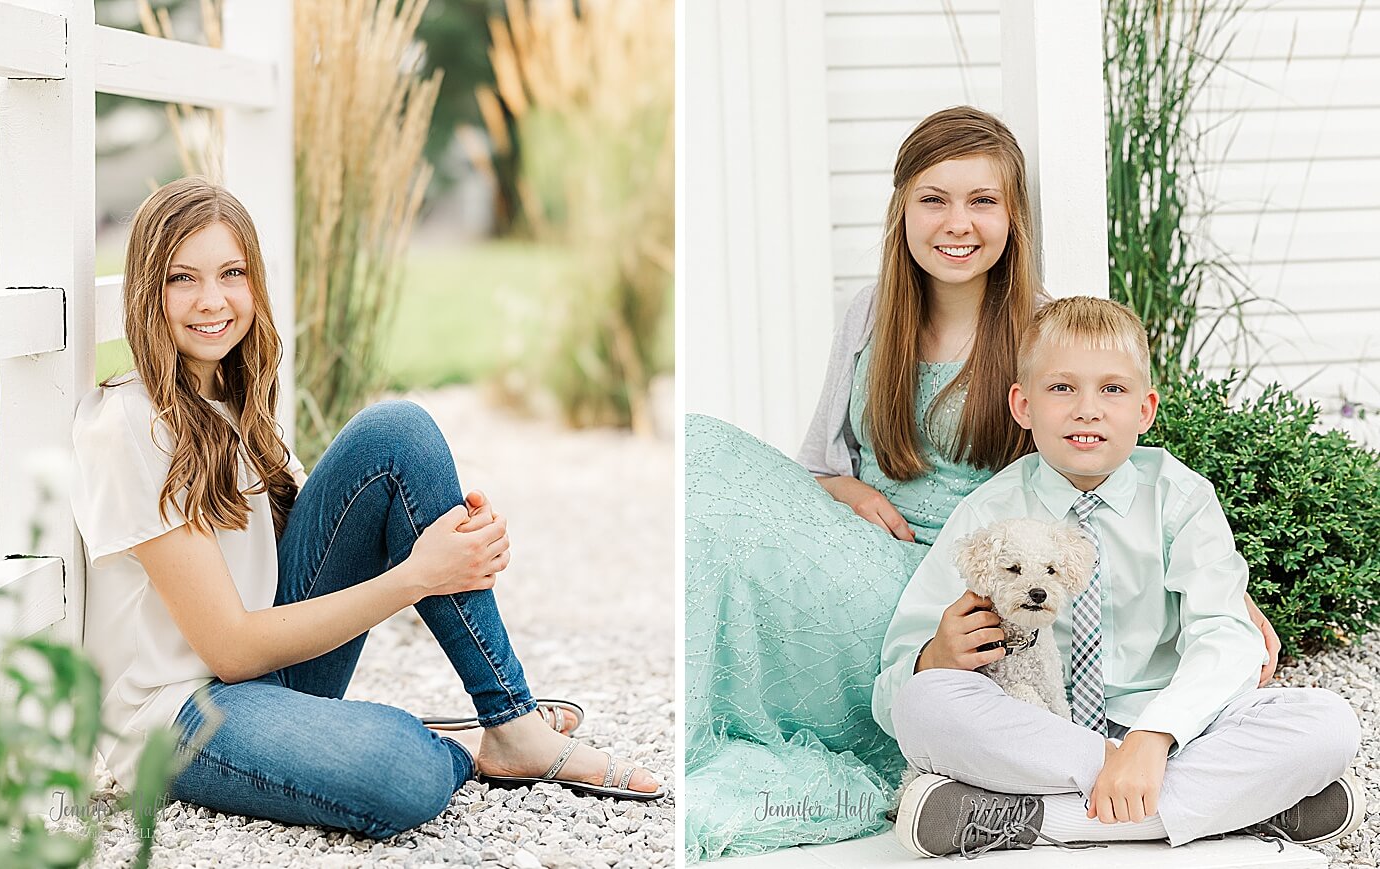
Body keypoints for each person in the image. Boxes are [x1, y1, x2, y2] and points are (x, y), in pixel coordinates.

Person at [684, 106, 1279, 861]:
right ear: (902, 207)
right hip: (868, 549)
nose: (956, 223)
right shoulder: (869, 314)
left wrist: (1228, 591)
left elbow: (1097, 467)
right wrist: (851, 492)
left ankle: (1090, 794)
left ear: (1012, 216)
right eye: (933, 199)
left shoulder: (1042, 331)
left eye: (982, 201)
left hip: (984, 575)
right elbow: (819, 464)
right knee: (700, 452)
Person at [70, 177, 663, 841]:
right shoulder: (129, 423)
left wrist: (461, 547)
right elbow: (231, 649)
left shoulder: (234, 402)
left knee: (398, 432)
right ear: (148, 290)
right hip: (180, 716)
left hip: (267, 679)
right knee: (397, 769)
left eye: (231, 272)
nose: (212, 300)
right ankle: (456, 743)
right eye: (183, 278)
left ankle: (510, 716)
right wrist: (419, 574)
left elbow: (311, 556)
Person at [881, 296, 1361, 859]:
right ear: (1023, 405)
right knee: (925, 705)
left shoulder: (1180, 498)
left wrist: (1154, 737)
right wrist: (935, 654)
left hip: (1173, 731)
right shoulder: (989, 513)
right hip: (1043, 734)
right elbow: (894, 684)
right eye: (1062, 388)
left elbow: (1227, 636)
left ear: (1145, 409)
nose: (1088, 409)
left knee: (1326, 722)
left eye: (1112, 389)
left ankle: (1038, 818)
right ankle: (1243, 804)